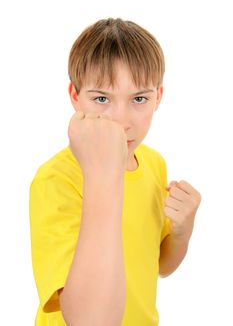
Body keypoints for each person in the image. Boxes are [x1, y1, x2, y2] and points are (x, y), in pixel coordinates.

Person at [29, 18, 201, 326]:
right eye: (101, 99)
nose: (121, 120)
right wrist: (102, 175)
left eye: (138, 98)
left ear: (158, 98)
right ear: (74, 96)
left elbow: (159, 265)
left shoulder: (154, 164)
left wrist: (182, 233)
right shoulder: (55, 180)